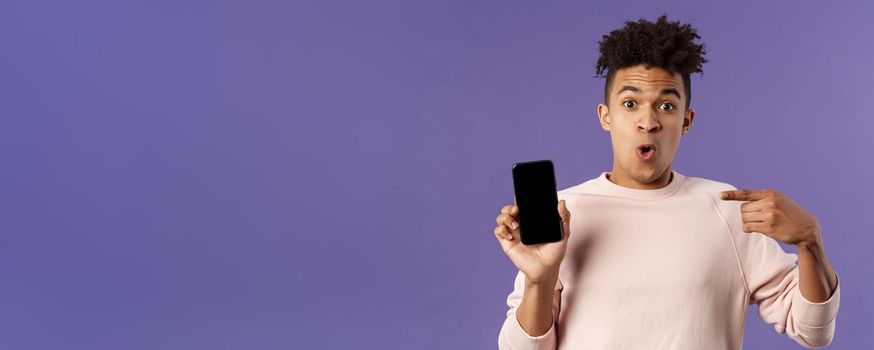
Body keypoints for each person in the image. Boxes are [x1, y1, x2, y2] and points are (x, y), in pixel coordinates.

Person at [493, 15, 840, 349]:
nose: (648, 121)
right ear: (606, 116)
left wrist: (810, 242)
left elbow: (812, 331)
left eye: (667, 106)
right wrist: (541, 279)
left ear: (687, 121)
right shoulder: (564, 215)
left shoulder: (728, 211)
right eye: (630, 103)